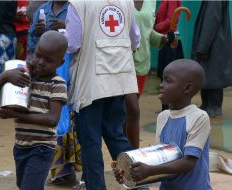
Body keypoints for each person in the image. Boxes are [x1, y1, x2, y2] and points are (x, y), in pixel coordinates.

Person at [65, 0, 141, 189]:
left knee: (90, 141)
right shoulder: (126, 2)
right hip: (118, 79)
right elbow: (135, 40)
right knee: (116, 134)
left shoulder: (78, 3)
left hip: (90, 83)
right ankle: (138, 184)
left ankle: (96, 187)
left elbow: (72, 44)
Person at [0, 31, 68, 190]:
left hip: (42, 147)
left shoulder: (57, 84)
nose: (40, 62)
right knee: (24, 185)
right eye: (38, 55)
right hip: (20, 146)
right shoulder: (24, 75)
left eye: (49, 60)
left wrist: (15, 115)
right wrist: (5, 76)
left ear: (60, 62)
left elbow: (52, 119)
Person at [113, 59, 213, 190]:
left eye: (168, 81)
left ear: (187, 88)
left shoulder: (199, 117)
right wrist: (127, 173)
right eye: (162, 80)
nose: (161, 85)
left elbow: (189, 162)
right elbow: (161, 158)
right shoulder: (163, 117)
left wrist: (150, 170)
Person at [28, 1, 82, 187]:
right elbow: (32, 44)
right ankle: (60, 172)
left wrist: (67, 29)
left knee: (66, 119)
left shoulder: (75, 8)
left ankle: (67, 171)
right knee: (52, 117)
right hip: (46, 74)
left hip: (70, 71)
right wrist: (37, 32)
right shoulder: (42, 9)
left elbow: (81, 41)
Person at [125, 0, 167, 149]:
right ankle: (132, 152)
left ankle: (128, 151)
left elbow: (147, 31)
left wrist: (161, 39)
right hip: (121, 62)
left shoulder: (151, 2)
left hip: (142, 63)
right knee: (130, 110)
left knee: (129, 111)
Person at [192, 1, 232, 117]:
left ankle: (214, 106)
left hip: (213, 44)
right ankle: (206, 104)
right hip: (213, 43)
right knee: (207, 75)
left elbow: (212, 20)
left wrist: (203, 46)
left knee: (214, 76)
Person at [154, 0, 184, 111]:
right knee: (166, 75)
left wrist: (154, 28)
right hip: (166, 39)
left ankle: (169, 108)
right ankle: (166, 107)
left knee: (169, 76)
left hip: (170, 40)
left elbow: (170, 20)